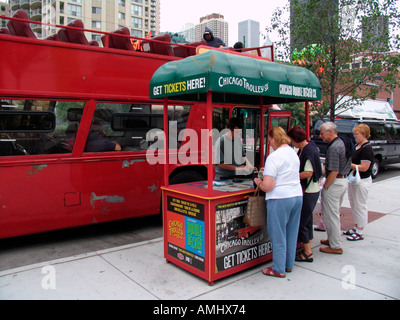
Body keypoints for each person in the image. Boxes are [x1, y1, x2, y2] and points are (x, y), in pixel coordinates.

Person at [254, 127, 303, 278]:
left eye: (269, 141)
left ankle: (278, 268)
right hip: (296, 195)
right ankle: (288, 265)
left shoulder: (274, 157)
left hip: (280, 198)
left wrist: (258, 182)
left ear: (274, 138)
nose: (270, 144)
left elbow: (268, 186)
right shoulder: (293, 153)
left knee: (278, 234)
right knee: (291, 232)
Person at [288, 125, 322, 263]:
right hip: (311, 190)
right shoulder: (308, 147)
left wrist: (291, 175)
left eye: (291, 140)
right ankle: (307, 247)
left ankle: (307, 252)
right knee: (307, 221)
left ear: (295, 139)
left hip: (309, 191)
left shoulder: (307, 151)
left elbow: (309, 172)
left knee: (302, 222)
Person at [319, 122, 351, 254]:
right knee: (333, 213)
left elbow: (333, 171)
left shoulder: (333, 147)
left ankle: (335, 245)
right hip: (343, 181)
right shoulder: (343, 142)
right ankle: (332, 239)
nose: (320, 136)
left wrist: (326, 186)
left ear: (330, 132)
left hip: (335, 183)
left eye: (322, 133)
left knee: (331, 215)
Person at [344, 124, 374, 241]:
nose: (355, 136)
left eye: (357, 134)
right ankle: (356, 227)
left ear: (364, 135)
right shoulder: (357, 146)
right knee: (354, 204)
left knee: (360, 205)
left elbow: (364, 167)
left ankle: (360, 230)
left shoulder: (367, 149)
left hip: (362, 180)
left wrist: (349, 165)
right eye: (354, 134)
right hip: (354, 179)